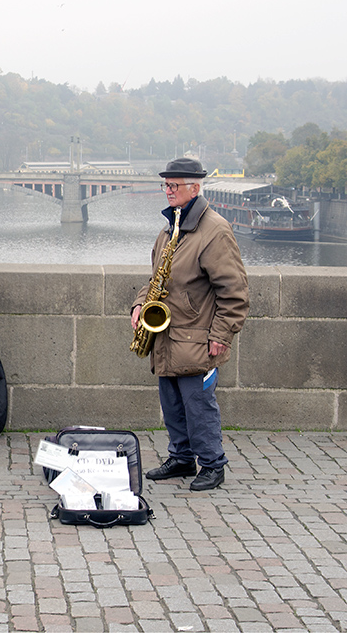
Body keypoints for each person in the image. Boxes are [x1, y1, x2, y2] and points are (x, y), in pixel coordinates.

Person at [131, 156, 249, 492]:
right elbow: (155, 280)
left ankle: (212, 464)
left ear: (195, 188)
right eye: (165, 185)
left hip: (197, 337)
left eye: (174, 186)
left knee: (199, 408)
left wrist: (222, 335)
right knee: (172, 405)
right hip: (167, 336)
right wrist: (140, 303)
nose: (167, 191)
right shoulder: (172, 228)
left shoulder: (214, 231)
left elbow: (235, 292)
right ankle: (181, 458)